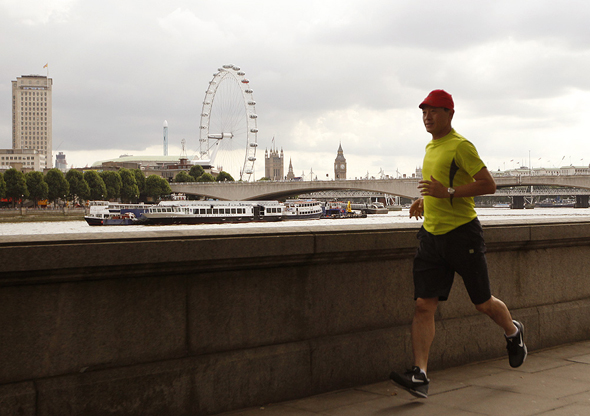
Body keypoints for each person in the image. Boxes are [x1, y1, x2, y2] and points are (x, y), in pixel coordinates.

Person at [389, 89, 527, 399]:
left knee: (482, 302)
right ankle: (420, 375)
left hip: (462, 235)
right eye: (424, 111)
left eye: (434, 111)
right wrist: (425, 200)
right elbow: (438, 188)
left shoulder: (461, 146)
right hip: (431, 237)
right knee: (424, 305)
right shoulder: (430, 147)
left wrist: (446, 192)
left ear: (450, 114)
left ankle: (513, 332)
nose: (427, 116)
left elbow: (488, 185)